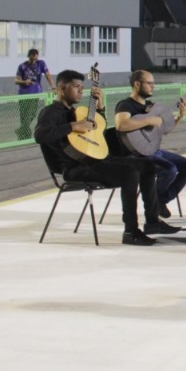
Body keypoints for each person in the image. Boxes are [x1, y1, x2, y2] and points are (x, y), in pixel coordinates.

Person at [34, 68, 165, 246]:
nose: (81, 91)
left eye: (82, 87)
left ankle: (152, 222)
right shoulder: (51, 112)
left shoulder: (75, 111)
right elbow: (40, 135)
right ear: (62, 88)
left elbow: (96, 131)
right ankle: (130, 231)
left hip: (95, 159)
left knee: (147, 166)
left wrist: (100, 108)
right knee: (129, 173)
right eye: (76, 87)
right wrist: (73, 125)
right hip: (74, 167)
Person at [114, 70, 186, 225]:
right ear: (137, 84)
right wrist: (149, 120)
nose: (153, 87)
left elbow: (164, 130)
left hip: (153, 150)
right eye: (149, 83)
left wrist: (179, 117)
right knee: (169, 169)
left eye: (153, 83)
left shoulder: (151, 107)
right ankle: (154, 207)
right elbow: (121, 124)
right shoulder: (125, 105)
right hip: (135, 155)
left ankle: (159, 201)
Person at [15, 48, 55, 139]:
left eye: (35, 59)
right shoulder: (22, 66)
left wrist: (53, 86)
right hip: (23, 94)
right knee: (24, 115)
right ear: (29, 56)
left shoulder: (41, 64)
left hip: (35, 93)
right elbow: (16, 80)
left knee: (32, 113)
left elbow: (48, 75)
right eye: (32, 59)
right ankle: (24, 135)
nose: (34, 61)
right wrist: (25, 82)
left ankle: (22, 131)